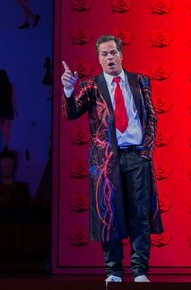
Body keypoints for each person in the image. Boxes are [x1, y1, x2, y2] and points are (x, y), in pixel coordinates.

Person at [60, 35, 163, 284]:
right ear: (98, 59)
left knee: (139, 215)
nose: (109, 58)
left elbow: (151, 117)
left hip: (137, 157)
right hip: (106, 161)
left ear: (121, 55)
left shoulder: (139, 81)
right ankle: (114, 271)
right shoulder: (91, 86)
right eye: (104, 54)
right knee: (109, 214)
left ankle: (139, 271)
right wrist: (68, 89)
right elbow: (71, 113)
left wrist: (146, 153)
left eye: (113, 52)